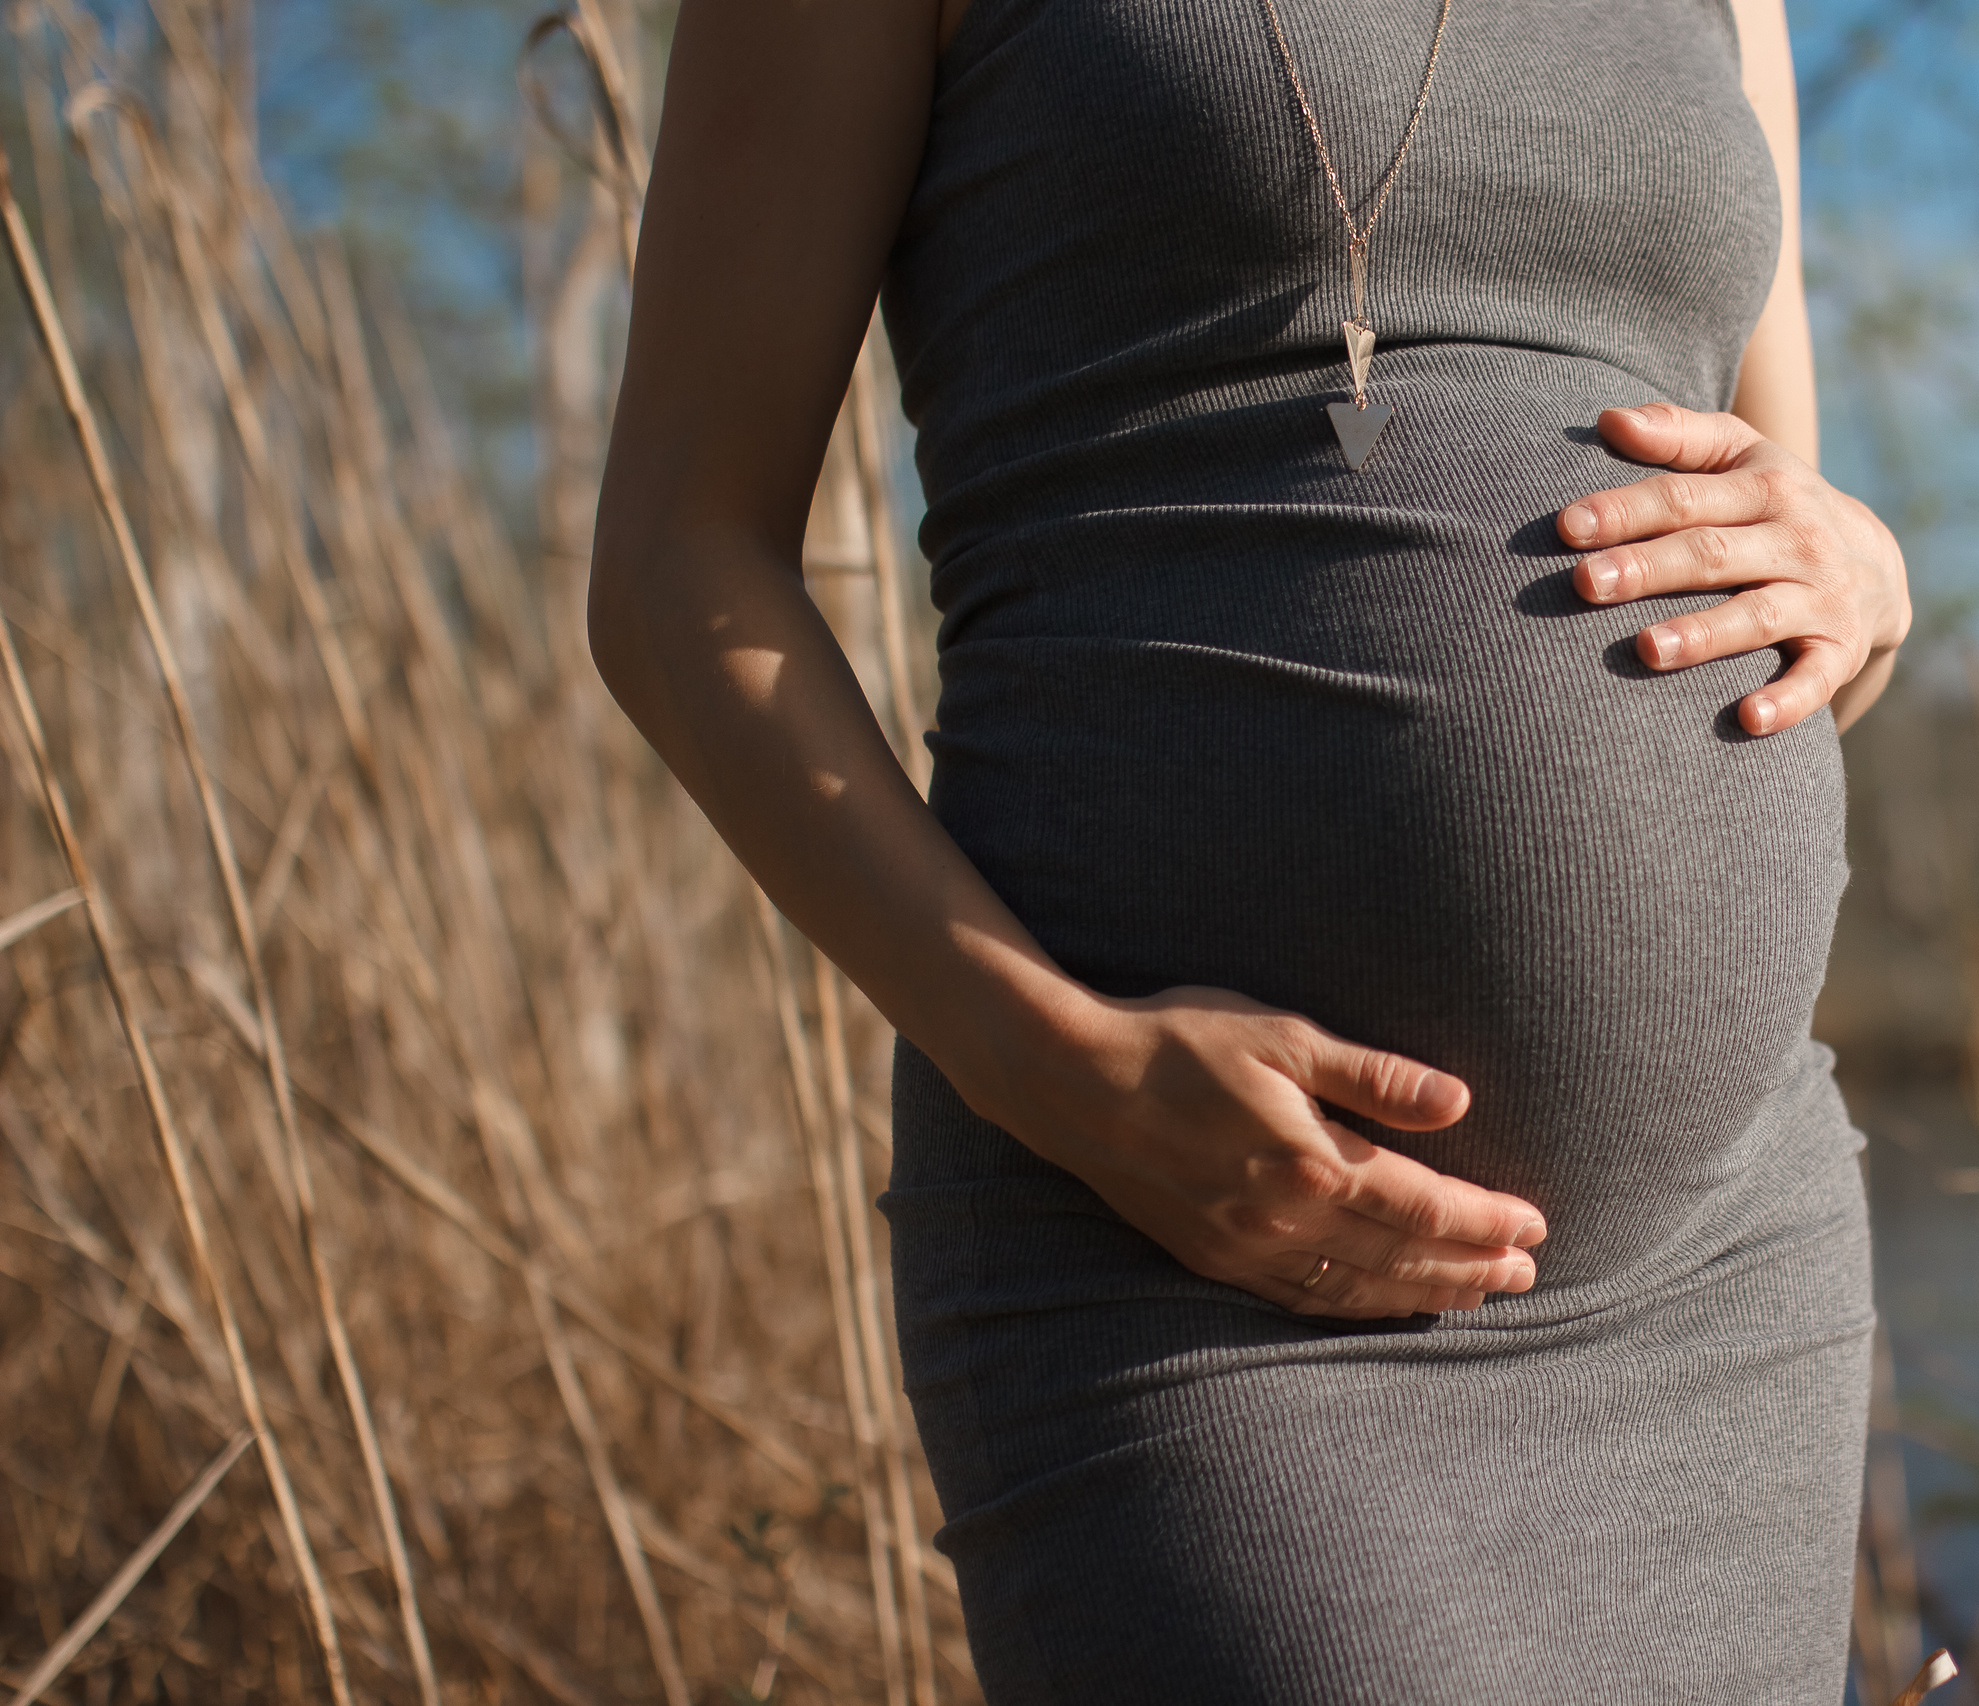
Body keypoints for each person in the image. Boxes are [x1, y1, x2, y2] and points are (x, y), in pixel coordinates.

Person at [589, 0, 1911, 1697]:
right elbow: (675, 563)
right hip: (1174, 1241)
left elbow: (1778, 542)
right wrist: (1053, 1064)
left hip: (1723, 1264)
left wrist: (1869, 575)